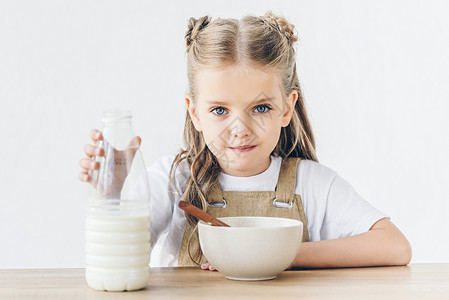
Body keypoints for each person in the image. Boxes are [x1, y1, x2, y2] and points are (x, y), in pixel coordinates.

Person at [78, 11, 412, 270]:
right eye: (220, 109)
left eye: (261, 107)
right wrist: (111, 196)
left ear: (286, 109)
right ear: (195, 113)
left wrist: (280, 253)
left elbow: (395, 246)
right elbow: (122, 260)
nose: (240, 129)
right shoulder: (174, 179)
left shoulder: (312, 184)